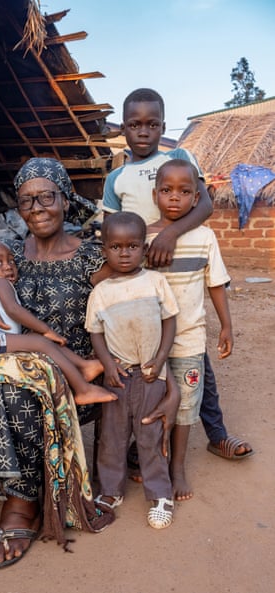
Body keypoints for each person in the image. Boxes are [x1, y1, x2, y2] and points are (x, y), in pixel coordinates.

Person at [0, 157, 178, 569]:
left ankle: (22, 506)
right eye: (26, 200)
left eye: (46, 197)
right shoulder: (8, 254)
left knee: (18, 397)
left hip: (71, 373)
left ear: (66, 200)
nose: (36, 208)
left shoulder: (96, 257)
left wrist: (169, 379)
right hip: (11, 361)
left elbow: (142, 313)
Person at [102, 87, 253, 461]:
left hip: (180, 269)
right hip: (142, 281)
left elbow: (204, 205)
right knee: (146, 365)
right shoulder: (116, 178)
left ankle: (217, 434)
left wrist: (169, 234)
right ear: (124, 128)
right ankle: (145, 446)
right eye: (134, 125)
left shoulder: (179, 157)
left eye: (152, 125)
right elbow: (109, 232)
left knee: (193, 360)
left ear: (163, 127)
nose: (143, 132)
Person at [86, 211, 179, 529]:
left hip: (151, 374)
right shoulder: (100, 293)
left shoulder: (156, 282)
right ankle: (111, 490)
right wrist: (108, 365)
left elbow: (170, 321)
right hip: (118, 376)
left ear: (144, 247)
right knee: (112, 436)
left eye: (132, 246)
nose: (124, 253)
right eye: (115, 246)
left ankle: (160, 494)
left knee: (150, 435)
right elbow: (95, 333)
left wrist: (162, 357)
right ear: (104, 250)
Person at [148, 159, 234, 500]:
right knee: (150, 401)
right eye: (167, 190)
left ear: (197, 198)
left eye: (184, 192)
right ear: (155, 194)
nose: (174, 198)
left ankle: (177, 466)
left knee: (184, 404)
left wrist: (226, 325)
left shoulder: (205, 237)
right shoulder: (142, 236)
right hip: (150, 343)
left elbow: (215, 284)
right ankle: (151, 458)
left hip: (189, 340)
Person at [0, 237, 116, 405]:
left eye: (11, 260)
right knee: (41, 341)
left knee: (38, 339)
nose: (7, 266)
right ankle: (83, 390)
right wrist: (45, 330)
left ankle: (83, 366)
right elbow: (13, 310)